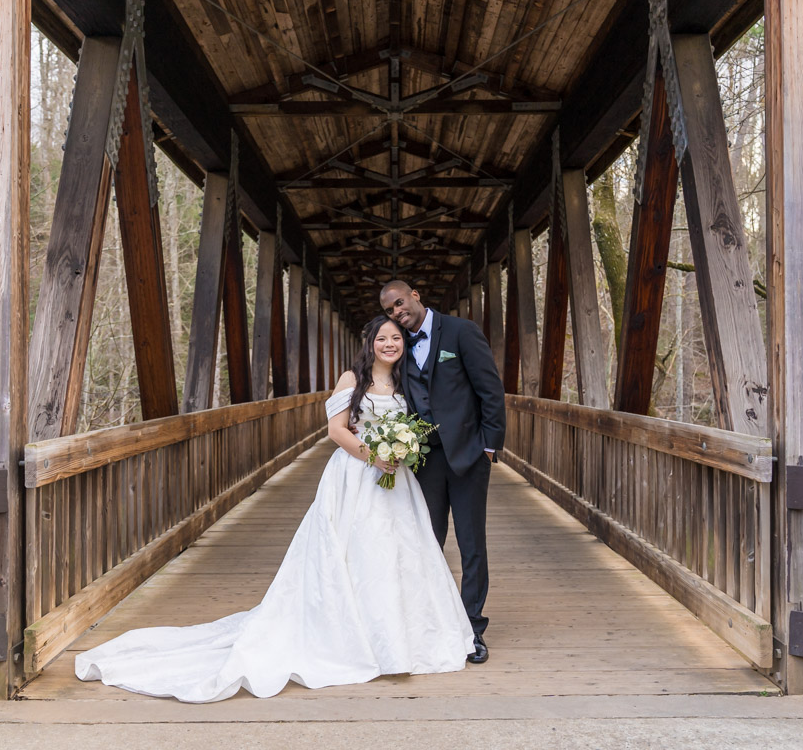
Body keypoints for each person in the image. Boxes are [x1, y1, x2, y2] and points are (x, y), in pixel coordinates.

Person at [74, 316, 474, 703]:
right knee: (358, 552)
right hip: (357, 475)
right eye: (382, 338)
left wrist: (402, 451)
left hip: (396, 483)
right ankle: (354, 637)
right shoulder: (353, 380)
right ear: (369, 343)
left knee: (397, 556)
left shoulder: (405, 380)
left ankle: (399, 640)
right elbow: (336, 431)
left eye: (397, 339)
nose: (390, 344)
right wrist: (375, 456)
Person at [379, 280, 506, 664]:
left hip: (468, 456)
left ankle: (472, 629)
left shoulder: (461, 331)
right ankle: (431, 622)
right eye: (389, 310)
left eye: (400, 303)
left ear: (416, 295)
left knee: (471, 544)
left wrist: (489, 446)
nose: (397, 312)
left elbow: (490, 390)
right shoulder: (396, 346)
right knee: (428, 541)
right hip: (424, 461)